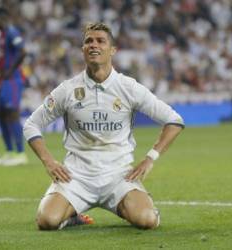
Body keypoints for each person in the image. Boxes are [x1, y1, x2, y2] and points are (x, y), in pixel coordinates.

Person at [23, 22, 184, 230]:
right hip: (76, 177)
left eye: (101, 41)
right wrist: (48, 161)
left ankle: (142, 207)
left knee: (147, 220)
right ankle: (72, 215)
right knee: (47, 221)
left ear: (113, 50)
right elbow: (31, 125)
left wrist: (150, 158)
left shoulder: (128, 88)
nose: (93, 45)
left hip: (118, 176)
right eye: (88, 41)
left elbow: (174, 120)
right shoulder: (68, 90)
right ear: (82, 50)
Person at [0, 7, 28, 166]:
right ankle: (9, 152)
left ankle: (20, 154)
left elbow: (23, 52)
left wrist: (10, 71)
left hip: (13, 80)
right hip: (4, 81)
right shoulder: (2, 35)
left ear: (1, 17)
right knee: (1, 115)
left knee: (12, 114)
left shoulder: (12, 32)